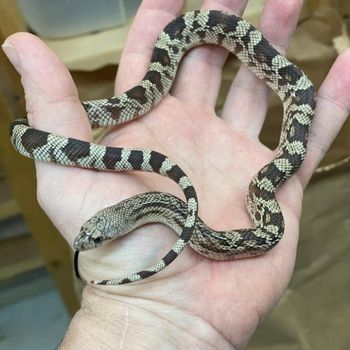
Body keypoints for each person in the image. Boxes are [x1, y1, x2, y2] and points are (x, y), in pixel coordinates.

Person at [3, 0, 349, 348]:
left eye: (95, 238)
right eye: (95, 238)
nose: (87, 243)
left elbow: (269, 229)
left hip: (283, 101)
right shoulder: (157, 210)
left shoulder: (226, 209)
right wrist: (149, 312)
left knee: (296, 108)